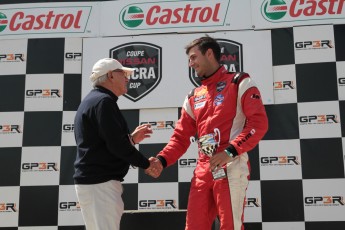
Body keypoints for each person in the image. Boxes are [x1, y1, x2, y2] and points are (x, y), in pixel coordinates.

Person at [149, 36, 268, 230]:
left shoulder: (239, 82)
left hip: (230, 163)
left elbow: (259, 123)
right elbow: (180, 138)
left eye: (194, 57)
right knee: (194, 226)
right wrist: (162, 160)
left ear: (210, 53)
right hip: (204, 168)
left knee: (231, 226)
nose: (191, 63)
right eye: (189, 59)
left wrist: (230, 152)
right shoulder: (193, 96)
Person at [73, 58, 162, 230]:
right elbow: (116, 146)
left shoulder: (93, 100)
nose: (127, 78)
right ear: (110, 76)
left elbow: (102, 143)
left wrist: (132, 140)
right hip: (100, 185)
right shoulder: (103, 102)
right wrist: (146, 164)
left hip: (94, 183)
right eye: (123, 73)